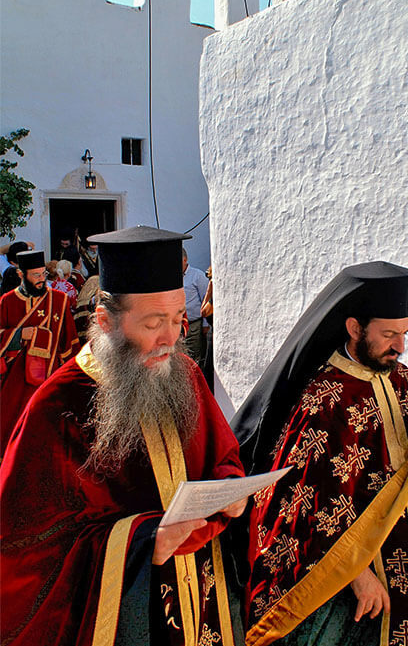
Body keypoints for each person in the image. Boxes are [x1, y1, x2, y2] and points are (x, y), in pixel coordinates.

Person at [0, 226, 247, 646]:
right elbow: (23, 544)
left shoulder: (184, 374)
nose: (171, 338)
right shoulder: (58, 405)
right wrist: (142, 540)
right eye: (153, 323)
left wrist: (231, 486)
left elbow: (222, 454)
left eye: (177, 319)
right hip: (121, 616)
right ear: (105, 321)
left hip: (203, 596)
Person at [231, 262, 408, 646]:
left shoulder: (407, 382)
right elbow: (295, 506)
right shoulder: (323, 399)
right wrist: (355, 574)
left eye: (405, 333)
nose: (400, 346)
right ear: (354, 328)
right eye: (389, 334)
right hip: (351, 583)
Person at [0, 249, 79, 456]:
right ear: (21, 275)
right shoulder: (7, 302)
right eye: (35, 275)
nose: (41, 279)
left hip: (49, 379)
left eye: (43, 274)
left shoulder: (59, 301)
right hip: (14, 382)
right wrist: (18, 335)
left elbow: (70, 344)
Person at [182, 248, 210, 367]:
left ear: (184, 260)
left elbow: (206, 299)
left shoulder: (197, 275)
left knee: (193, 358)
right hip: (178, 326)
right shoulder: (171, 276)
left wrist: (205, 324)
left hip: (194, 325)